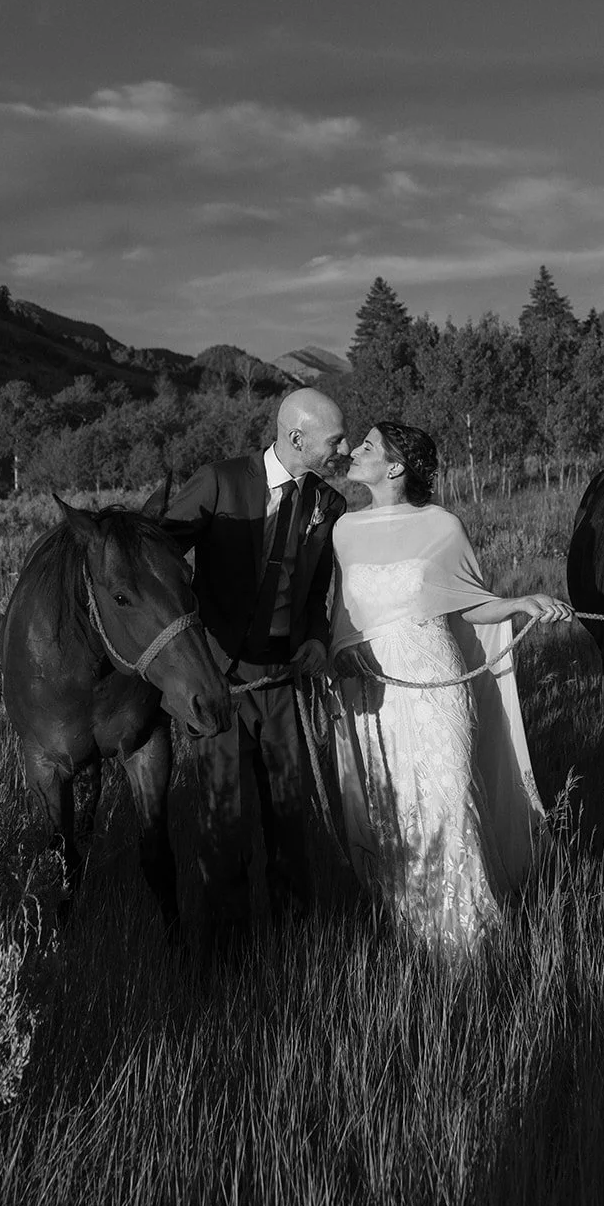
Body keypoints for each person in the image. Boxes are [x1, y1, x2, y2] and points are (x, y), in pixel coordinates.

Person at [331, 420, 571, 950]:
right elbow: (342, 616)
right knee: (394, 807)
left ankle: (472, 940)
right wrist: (340, 654)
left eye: (368, 446)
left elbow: (471, 602)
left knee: (448, 794)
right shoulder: (343, 530)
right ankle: (414, 934)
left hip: (436, 679)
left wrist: (521, 602)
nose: (354, 451)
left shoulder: (442, 526)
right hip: (375, 690)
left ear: (395, 467)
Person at [162, 387, 349, 941]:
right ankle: (227, 951)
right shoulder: (219, 481)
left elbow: (317, 590)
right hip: (220, 680)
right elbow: (158, 556)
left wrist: (316, 639)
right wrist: (185, 650)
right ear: (297, 438)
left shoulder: (329, 504)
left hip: (286, 680)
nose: (344, 449)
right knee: (226, 818)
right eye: (335, 440)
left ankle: (296, 940)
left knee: (290, 814)